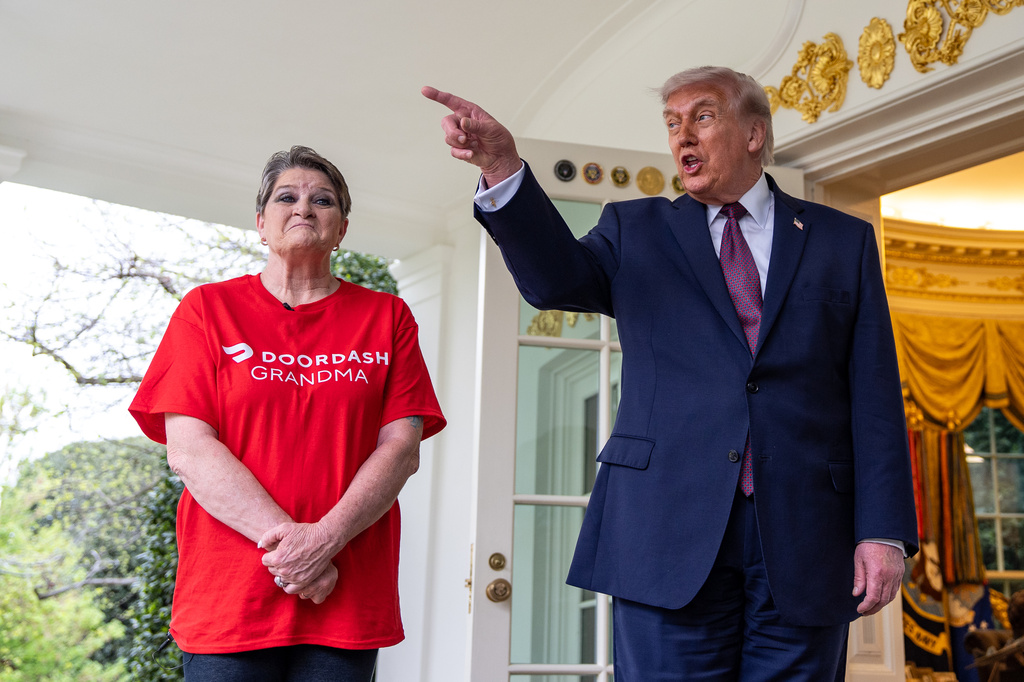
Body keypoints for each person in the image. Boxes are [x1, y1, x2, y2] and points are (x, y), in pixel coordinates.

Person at [424, 66, 917, 680]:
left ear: (755, 133)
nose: (683, 135)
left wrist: (885, 533)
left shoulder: (841, 240)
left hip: (807, 533)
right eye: (672, 123)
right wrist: (503, 170)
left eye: (703, 117)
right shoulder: (636, 230)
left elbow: (874, 394)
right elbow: (553, 281)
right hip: (664, 530)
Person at [129, 145, 445, 681]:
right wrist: (297, 552)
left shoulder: (387, 318)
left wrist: (324, 542)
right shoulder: (207, 310)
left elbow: (401, 449)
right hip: (230, 599)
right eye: (286, 197)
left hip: (344, 593)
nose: (303, 207)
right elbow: (190, 449)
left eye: (322, 200)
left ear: (341, 229)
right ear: (261, 222)